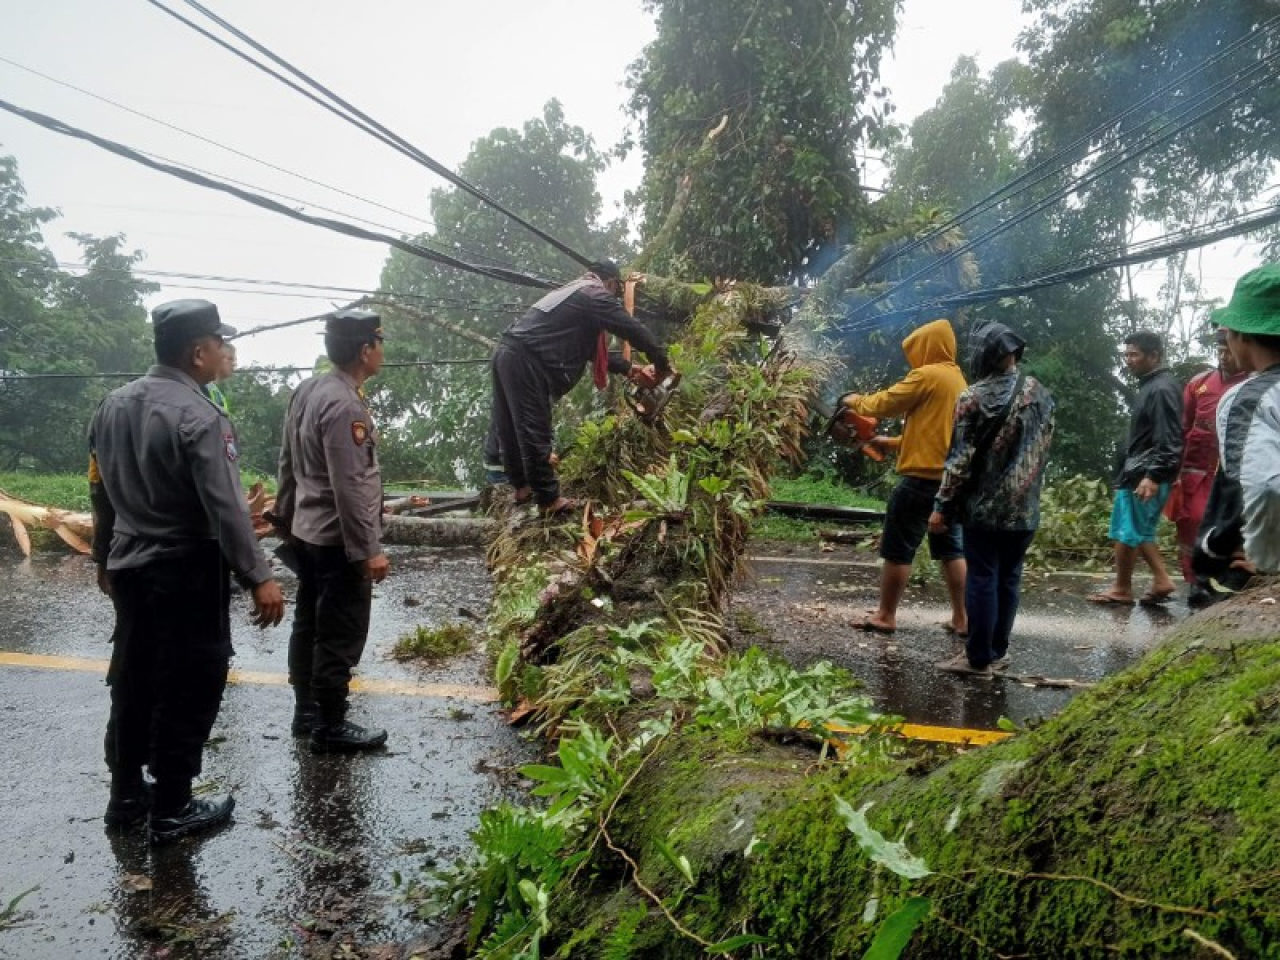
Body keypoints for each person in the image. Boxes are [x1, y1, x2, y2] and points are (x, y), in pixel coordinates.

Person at [89, 299, 286, 844]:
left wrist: (103, 555)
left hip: (129, 565)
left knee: (133, 679)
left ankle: (126, 795)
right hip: (185, 570)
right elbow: (224, 507)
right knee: (189, 682)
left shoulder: (112, 404)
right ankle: (173, 806)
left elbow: (99, 489)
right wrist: (258, 575)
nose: (227, 350)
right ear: (198, 353)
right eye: (220, 343)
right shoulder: (201, 416)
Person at [275, 307, 391, 754]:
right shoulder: (345, 403)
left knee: (308, 623)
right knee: (339, 632)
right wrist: (367, 549)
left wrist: (286, 517)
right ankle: (330, 725)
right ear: (366, 350)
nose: (382, 352)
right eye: (380, 344)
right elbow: (350, 483)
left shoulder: (308, 390)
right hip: (337, 538)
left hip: (307, 532)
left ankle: (306, 712)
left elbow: (287, 461)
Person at [490, 260, 673, 515]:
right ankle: (548, 500)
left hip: (506, 352)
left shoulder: (570, 293)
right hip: (528, 359)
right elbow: (632, 329)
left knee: (509, 425)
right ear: (610, 283)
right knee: (533, 428)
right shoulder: (593, 293)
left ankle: (522, 488)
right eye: (616, 292)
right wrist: (662, 362)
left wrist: (630, 369)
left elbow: (590, 351)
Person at [929, 323, 1055, 676]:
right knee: (1009, 578)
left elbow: (959, 460)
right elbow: (1045, 448)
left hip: (985, 510)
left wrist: (941, 506)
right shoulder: (1039, 392)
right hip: (1026, 508)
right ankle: (997, 651)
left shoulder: (973, 397)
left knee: (982, 578)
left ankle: (978, 658)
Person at [842, 317, 969, 636]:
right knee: (952, 550)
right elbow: (938, 436)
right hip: (948, 483)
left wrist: (853, 400)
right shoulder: (958, 382)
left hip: (918, 482)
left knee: (898, 548)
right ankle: (962, 619)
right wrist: (892, 443)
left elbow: (884, 404)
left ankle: (886, 615)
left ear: (927, 347)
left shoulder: (927, 375)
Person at [1194, 264, 1280, 586]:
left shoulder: (1247, 399)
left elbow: (1266, 487)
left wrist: (1266, 556)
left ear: (1242, 335)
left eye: (1227, 330)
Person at [1089, 331, 1183, 606]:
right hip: (1136, 471)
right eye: (1126, 355)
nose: (1128, 360)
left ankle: (1161, 578)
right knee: (1126, 529)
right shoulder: (1150, 386)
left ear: (1154, 356)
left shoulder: (1161, 388)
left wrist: (1153, 475)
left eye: (1134, 355)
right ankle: (1123, 587)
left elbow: (1169, 437)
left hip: (1146, 473)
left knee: (1137, 529)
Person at [1172, 326, 1246, 606]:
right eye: (1220, 350)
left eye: (1229, 349)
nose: (1224, 356)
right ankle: (1195, 582)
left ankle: (1224, 585)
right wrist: (1173, 475)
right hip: (1195, 477)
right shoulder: (1198, 384)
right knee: (1190, 526)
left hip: (1231, 478)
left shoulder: (1253, 384)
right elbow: (1182, 429)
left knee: (1225, 528)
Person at [205, 339, 237, 414]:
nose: (234, 364)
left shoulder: (214, 389)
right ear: (216, 357)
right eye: (230, 359)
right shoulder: (202, 387)